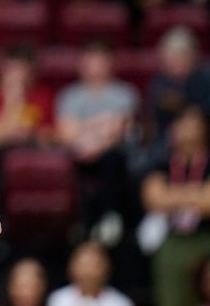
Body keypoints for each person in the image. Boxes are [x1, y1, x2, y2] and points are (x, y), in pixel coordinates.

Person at [55, 41, 138, 245]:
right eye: (90, 61)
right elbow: (66, 133)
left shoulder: (124, 94)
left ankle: (110, 216)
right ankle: (76, 221)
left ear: (110, 63)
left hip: (112, 154)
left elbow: (119, 130)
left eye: (100, 61)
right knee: (62, 163)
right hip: (79, 153)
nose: (95, 67)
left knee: (112, 158)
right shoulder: (69, 95)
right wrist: (101, 127)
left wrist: (93, 140)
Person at [141, 105, 210, 306]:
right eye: (182, 123)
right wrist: (197, 193)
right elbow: (154, 199)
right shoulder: (161, 161)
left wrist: (172, 194)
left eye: (193, 123)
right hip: (174, 237)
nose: (187, 129)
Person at [146, 26, 210, 157]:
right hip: (167, 142)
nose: (171, 65)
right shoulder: (160, 82)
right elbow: (155, 118)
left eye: (176, 59)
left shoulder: (205, 79)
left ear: (191, 56)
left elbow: (203, 113)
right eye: (168, 60)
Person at [46, 242, 132, 306]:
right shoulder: (57, 300)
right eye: (83, 264)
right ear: (71, 267)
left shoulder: (121, 303)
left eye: (94, 265)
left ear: (107, 268)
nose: (88, 272)